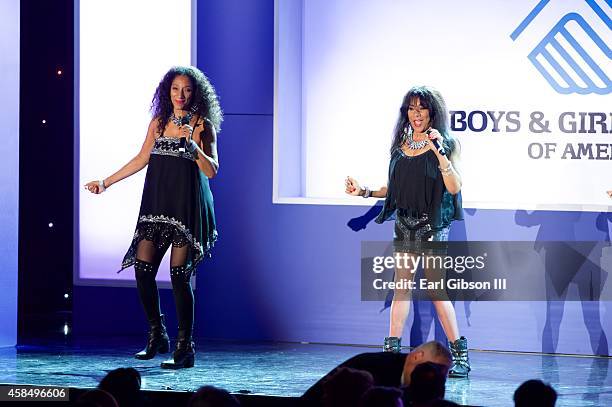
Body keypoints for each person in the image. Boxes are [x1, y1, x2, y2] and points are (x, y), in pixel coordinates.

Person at [85, 66, 222, 369]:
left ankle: (185, 348)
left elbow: (212, 170)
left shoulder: (202, 125)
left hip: (186, 208)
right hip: (158, 205)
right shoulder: (158, 123)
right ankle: (157, 333)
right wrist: (105, 182)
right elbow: (141, 158)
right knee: (144, 269)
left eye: (186, 89)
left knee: (178, 276)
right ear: (167, 91)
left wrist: (194, 146)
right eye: (175, 89)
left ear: (195, 92)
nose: (180, 96)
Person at [345, 86, 469, 377]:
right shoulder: (400, 145)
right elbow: (395, 189)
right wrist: (363, 191)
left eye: (421, 108)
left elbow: (454, 187)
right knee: (401, 290)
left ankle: (460, 356)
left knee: (437, 291)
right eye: (411, 109)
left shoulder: (447, 143)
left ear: (432, 112)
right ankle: (391, 357)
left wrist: (439, 151)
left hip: (433, 226)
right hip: (405, 224)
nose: (416, 114)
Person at [301, 340, 451, 406]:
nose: (436, 378)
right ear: (417, 356)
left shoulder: (420, 389)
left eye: (442, 376)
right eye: (433, 369)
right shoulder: (373, 368)